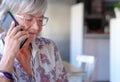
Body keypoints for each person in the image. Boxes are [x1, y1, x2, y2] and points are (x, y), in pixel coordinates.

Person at [0, 0, 68, 82]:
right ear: (6, 16)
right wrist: (8, 56)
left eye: (40, 20)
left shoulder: (49, 47)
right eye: (28, 19)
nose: (36, 28)